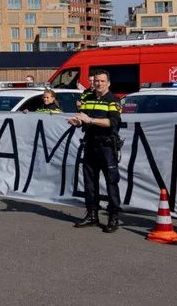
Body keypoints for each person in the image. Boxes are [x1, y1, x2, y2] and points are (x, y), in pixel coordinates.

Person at [67, 70, 122, 232]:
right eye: (96, 81)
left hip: (107, 147)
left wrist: (90, 120)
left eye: (102, 81)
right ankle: (92, 215)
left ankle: (113, 217)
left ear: (108, 83)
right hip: (90, 145)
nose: (98, 84)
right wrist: (77, 122)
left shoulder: (114, 100)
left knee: (111, 182)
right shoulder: (88, 98)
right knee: (90, 183)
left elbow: (112, 123)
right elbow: (85, 121)